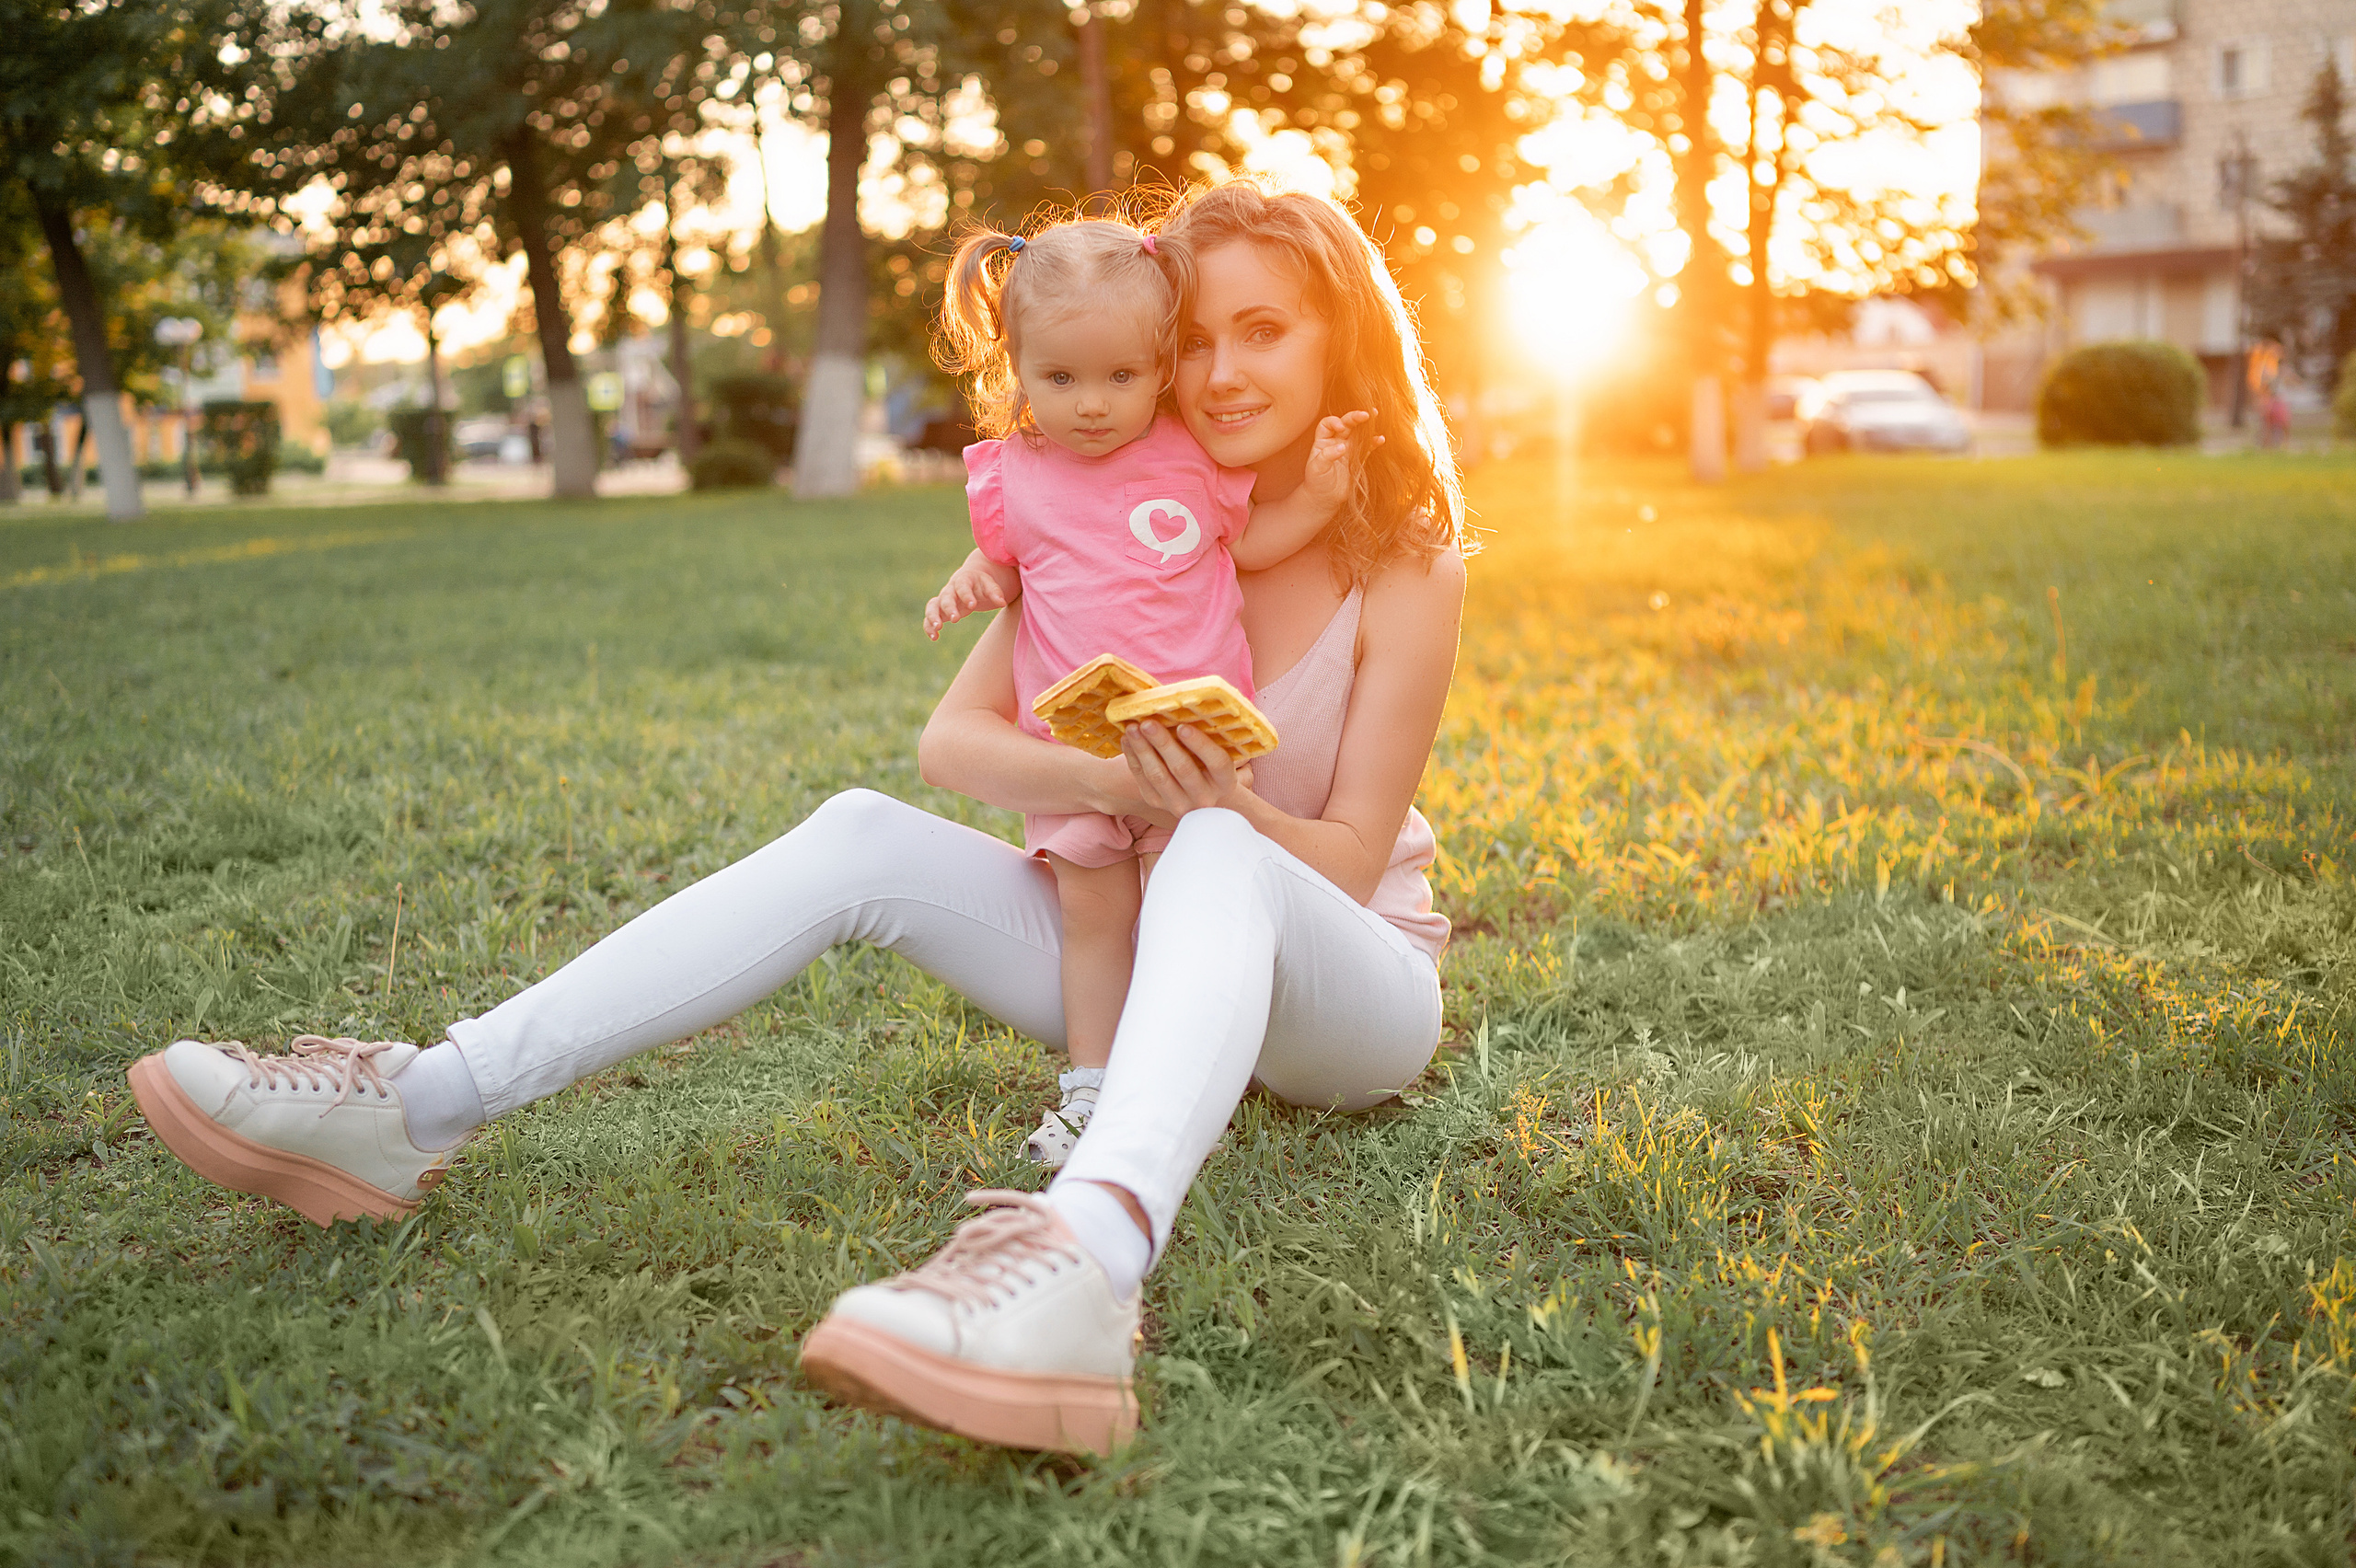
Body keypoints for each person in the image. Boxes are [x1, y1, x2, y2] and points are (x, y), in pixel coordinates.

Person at [124, 174, 1466, 1460]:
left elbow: (1352, 861)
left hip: (1345, 996)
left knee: (1217, 842)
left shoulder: (1404, 558)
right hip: (1151, 952)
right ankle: (418, 1103)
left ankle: (1085, 1264)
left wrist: (1213, 801)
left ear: (1339, 340)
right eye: (1200, 340)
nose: (1220, 373)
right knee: (860, 831)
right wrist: (1118, 786)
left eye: (1264, 333)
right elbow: (955, 743)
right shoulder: (1112, 531)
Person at [918, 215, 1369, 1166]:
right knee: (1093, 919)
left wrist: (1317, 502)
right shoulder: (1014, 475)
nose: (1091, 404)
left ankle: (1173, 1083)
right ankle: (1090, 1084)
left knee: (1179, 916)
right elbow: (1007, 563)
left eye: (1120, 376)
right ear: (1017, 370)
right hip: (1078, 752)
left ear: (1159, 369)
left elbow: (1247, 547)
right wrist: (974, 580)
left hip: (1195, 747)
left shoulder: (1190, 458)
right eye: (1060, 379)